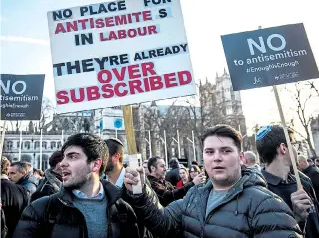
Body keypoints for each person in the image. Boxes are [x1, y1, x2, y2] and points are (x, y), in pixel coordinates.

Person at [123, 124, 302, 237]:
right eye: (210, 152)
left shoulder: (268, 205)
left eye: (225, 151)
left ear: (241, 158)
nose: (217, 158)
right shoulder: (194, 196)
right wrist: (140, 191)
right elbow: (163, 223)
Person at [13, 133, 141, 238]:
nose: (61, 164)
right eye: (63, 157)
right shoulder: (40, 209)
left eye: (72, 157)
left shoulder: (124, 211)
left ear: (96, 164)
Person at [256, 125, 319, 238]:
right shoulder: (259, 192)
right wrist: (296, 219)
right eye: (293, 145)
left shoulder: (303, 181)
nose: (296, 150)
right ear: (283, 148)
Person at [1, 157, 28, 238]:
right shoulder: (22, 188)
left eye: (12, 173)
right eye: (9, 173)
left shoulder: (24, 188)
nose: (10, 176)